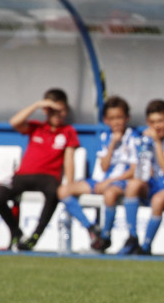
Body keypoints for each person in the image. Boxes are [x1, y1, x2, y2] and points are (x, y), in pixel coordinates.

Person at [0, 88, 80, 251]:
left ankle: (35, 236)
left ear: (65, 110)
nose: (57, 115)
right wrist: (38, 104)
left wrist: (70, 184)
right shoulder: (37, 127)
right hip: (23, 176)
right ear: (46, 110)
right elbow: (14, 122)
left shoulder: (68, 132)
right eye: (52, 110)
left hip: (48, 177)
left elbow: (69, 160)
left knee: (53, 192)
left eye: (60, 110)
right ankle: (16, 232)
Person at [57, 95, 137, 252]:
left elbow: (133, 170)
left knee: (109, 194)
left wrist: (109, 182)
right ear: (106, 120)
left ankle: (106, 236)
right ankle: (92, 228)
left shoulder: (133, 138)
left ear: (126, 118)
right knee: (63, 190)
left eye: (119, 117)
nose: (116, 122)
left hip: (120, 182)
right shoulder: (105, 137)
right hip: (102, 180)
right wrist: (113, 143)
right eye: (112, 118)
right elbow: (104, 166)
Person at [118, 99, 164, 255]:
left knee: (158, 200)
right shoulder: (145, 139)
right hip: (155, 184)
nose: (156, 126)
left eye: (160, 121)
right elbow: (143, 171)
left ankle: (145, 247)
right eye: (152, 122)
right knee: (132, 185)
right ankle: (132, 237)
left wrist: (156, 143)